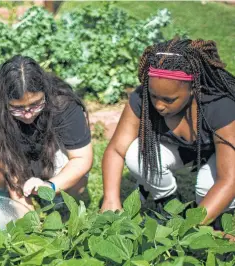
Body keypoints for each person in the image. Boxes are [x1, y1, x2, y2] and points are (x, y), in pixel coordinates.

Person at [101, 38, 235, 226]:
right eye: (154, 96)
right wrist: (110, 198)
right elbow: (116, 150)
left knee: (206, 187)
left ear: (193, 88)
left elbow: (229, 179)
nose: (159, 105)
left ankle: (222, 218)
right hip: (188, 150)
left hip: (228, 159)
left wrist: (188, 228)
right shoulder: (143, 98)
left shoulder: (220, 106)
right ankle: (168, 202)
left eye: (169, 99)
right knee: (135, 155)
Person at [0, 55, 93, 210]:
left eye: (35, 104)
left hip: (49, 145)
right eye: (17, 108)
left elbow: (81, 158)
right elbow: (0, 154)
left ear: (45, 93)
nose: (28, 114)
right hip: (7, 149)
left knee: (77, 185)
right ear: (3, 102)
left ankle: (46, 191)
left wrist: (50, 187)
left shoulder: (62, 102)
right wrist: (19, 196)